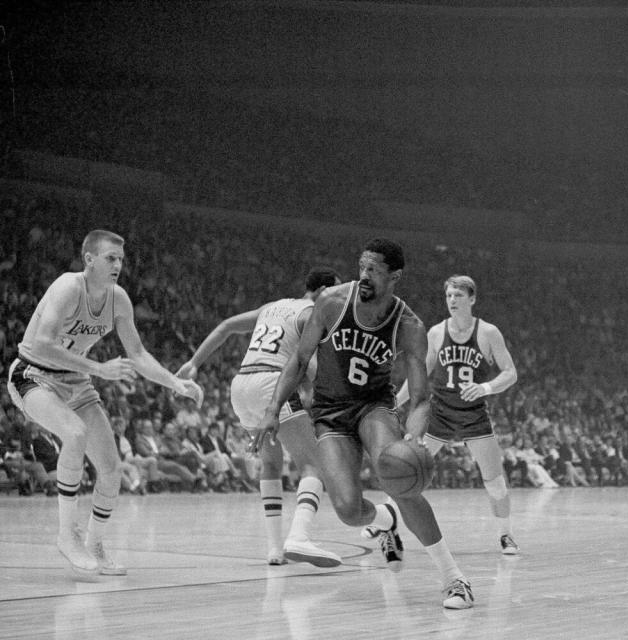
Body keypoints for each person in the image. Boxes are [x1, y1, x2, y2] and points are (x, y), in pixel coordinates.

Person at [255, 238, 474, 609]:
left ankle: (454, 579)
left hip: (374, 406)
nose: (364, 276)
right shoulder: (332, 302)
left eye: (373, 270)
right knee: (347, 510)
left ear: (395, 276)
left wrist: (414, 435)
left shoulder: (408, 324)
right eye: (362, 267)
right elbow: (299, 358)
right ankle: (386, 520)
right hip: (330, 413)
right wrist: (272, 408)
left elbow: (420, 397)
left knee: (398, 476)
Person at [5, 229, 203, 576]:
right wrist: (99, 368)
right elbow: (44, 344)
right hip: (34, 375)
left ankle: (95, 544)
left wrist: (175, 382)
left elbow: (138, 354)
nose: (118, 265)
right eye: (111, 258)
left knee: (110, 469)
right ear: (89, 259)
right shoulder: (68, 287)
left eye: (121, 260)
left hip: (76, 382)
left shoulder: (119, 299)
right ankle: (68, 536)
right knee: (75, 433)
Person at [177, 267, 343, 568]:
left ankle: (275, 549)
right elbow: (308, 364)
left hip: (241, 386)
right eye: (337, 292)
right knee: (315, 464)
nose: (340, 300)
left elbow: (226, 326)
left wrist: (194, 362)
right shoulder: (310, 314)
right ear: (322, 291)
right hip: (272, 383)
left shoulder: (272, 307)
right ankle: (299, 537)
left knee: (270, 463)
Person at [396, 275, 520, 554]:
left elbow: (510, 373)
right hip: (439, 413)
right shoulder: (436, 333)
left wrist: (485, 387)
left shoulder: (488, 333)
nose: (452, 300)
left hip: (473, 414)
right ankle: (387, 524)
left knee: (495, 482)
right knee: (405, 469)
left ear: (472, 299)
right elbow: (420, 374)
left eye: (458, 296)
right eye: (449, 296)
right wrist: (396, 400)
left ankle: (506, 535)